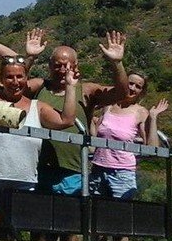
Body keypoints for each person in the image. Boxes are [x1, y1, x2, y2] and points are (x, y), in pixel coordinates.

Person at [30, 32, 129, 196]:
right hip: (38, 168)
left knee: (71, 212)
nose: (62, 70)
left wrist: (117, 63)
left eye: (66, 66)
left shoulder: (86, 90)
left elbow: (122, 94)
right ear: (49, 66)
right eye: (57, 65)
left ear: (76, 66)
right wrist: (30, 58)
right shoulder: (39, 86)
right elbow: (14, 86)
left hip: (73, 172)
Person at [0, 58, 79, 196]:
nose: (15, 82)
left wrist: (70, 86)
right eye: (9, 77)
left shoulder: (37, 107)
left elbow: (66, 120)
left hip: (25, 185)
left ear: (26, 78)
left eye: (19, 77)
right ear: (1, 80)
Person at [89, 74, 168, 200]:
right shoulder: (108, 106)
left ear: (141, 91)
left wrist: (153, 117)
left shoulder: (141, 112)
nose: (132, 88)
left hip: (122, 173)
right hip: (98, 169)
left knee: (121, 211)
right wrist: (89, 112)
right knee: (95, 209)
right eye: (130, 83)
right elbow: (95, 136)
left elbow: (152, 147)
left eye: (138, 86)